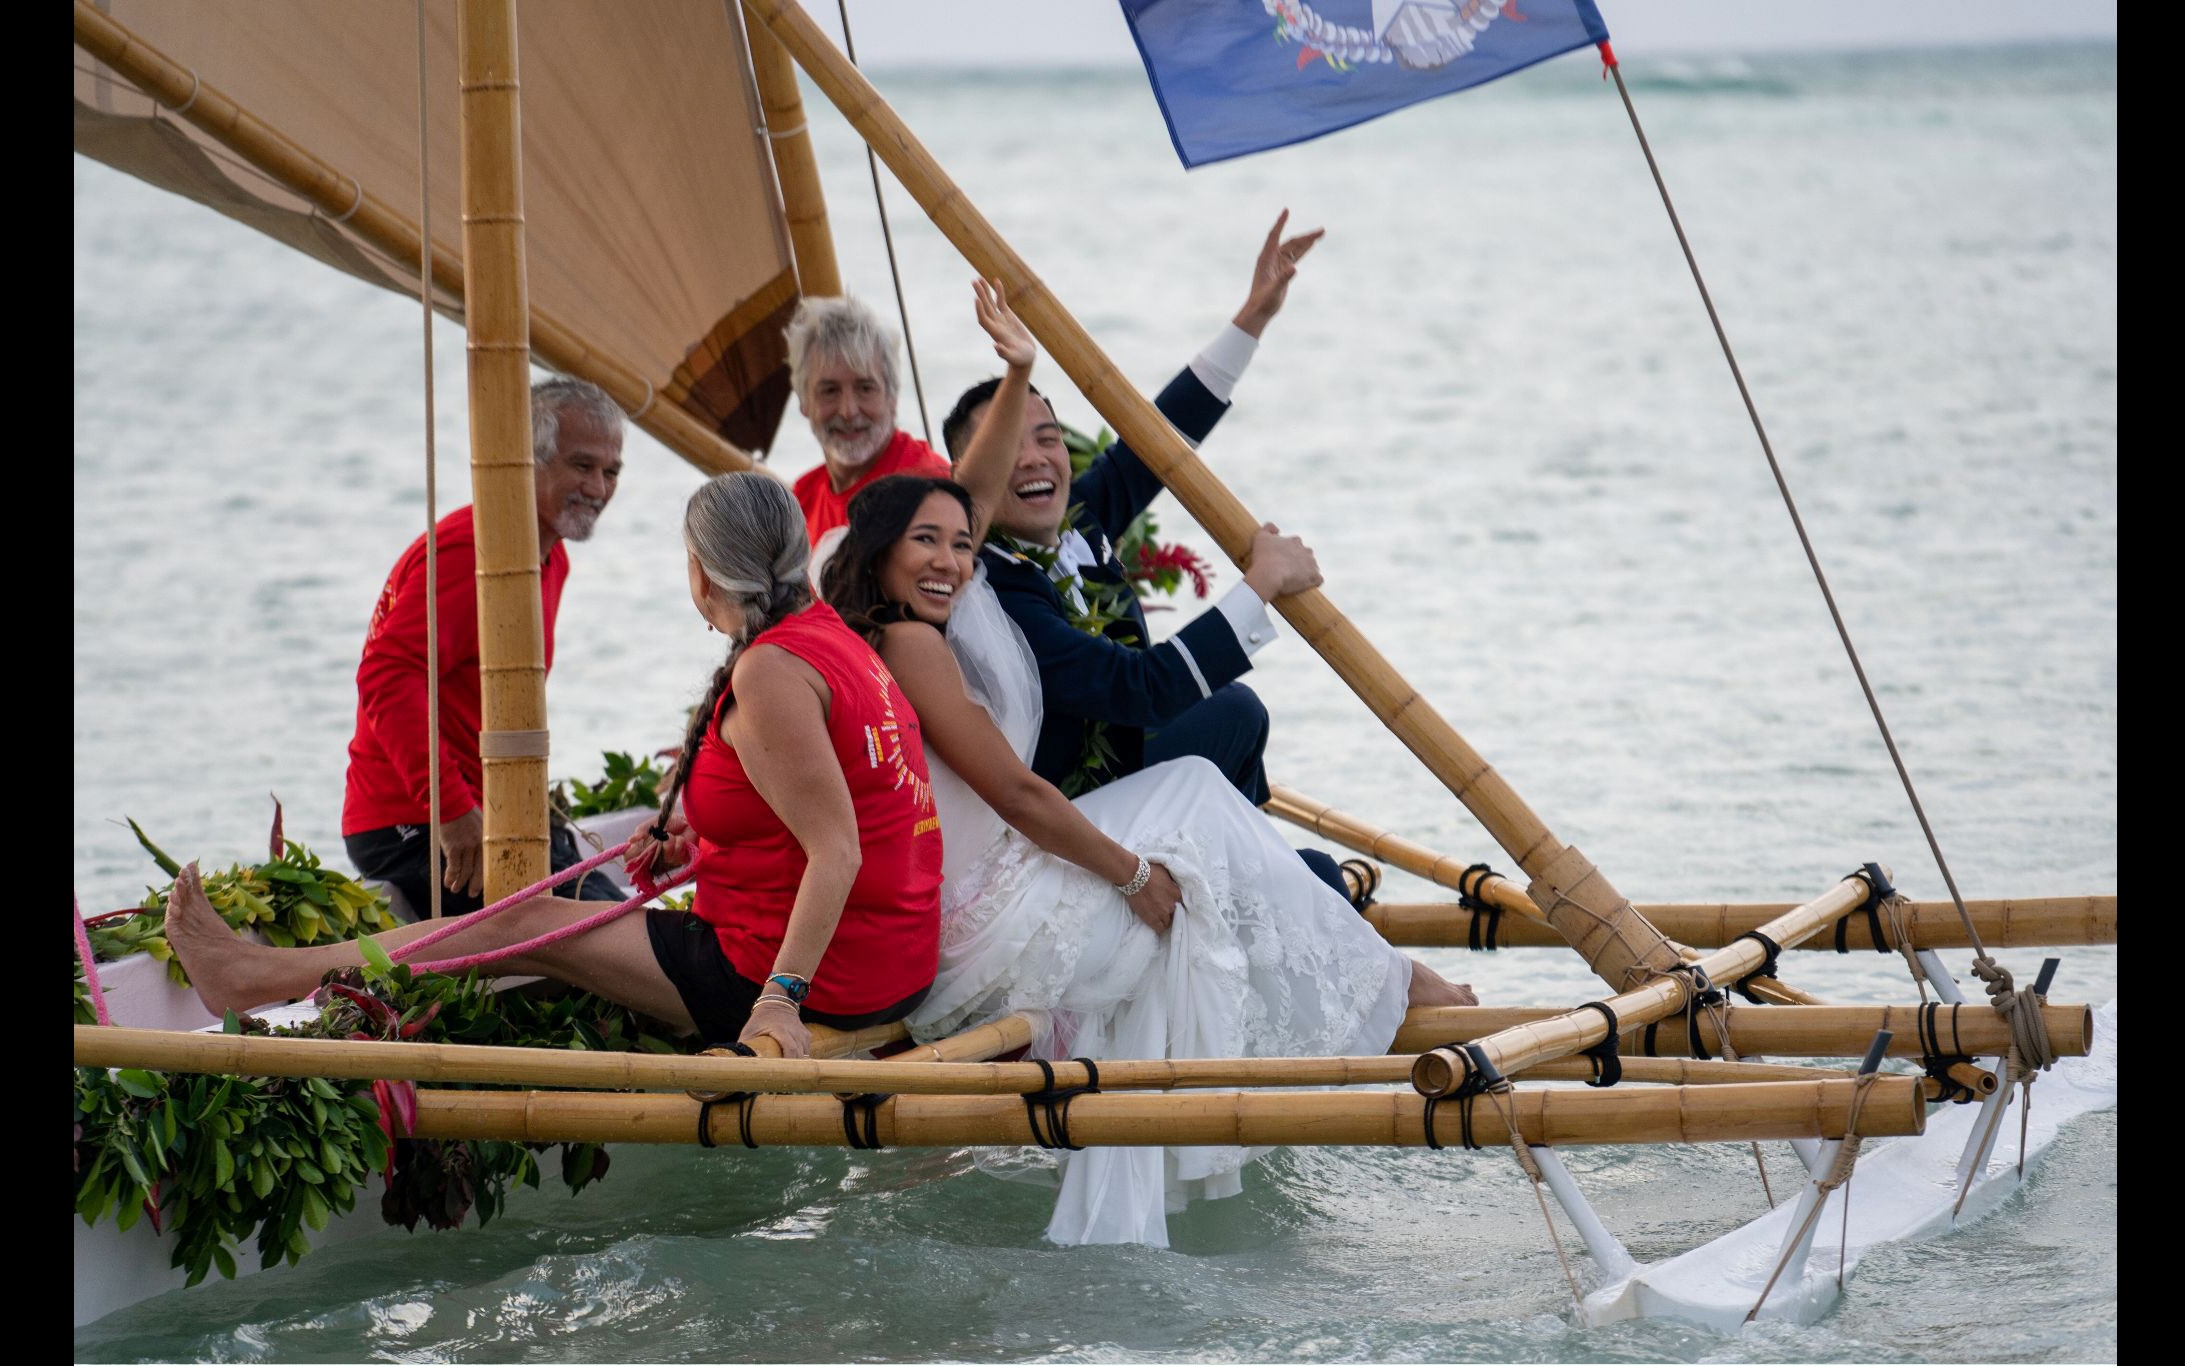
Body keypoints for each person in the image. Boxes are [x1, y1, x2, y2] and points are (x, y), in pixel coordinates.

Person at [820, 471, 1476, 1247]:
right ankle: (1387, 979)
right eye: (924, 540)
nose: (950, 562)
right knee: (1194, 797)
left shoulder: (864, 643)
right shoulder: (912, 643)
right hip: (983, 920)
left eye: (963, 545)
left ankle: (1372, 970)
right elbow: (1016, 795)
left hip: (956, 914)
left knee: (1193, 836)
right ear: (879, 550)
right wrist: (1129, 876)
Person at [170, 473, 941, 1060]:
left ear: (702, 573)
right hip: (889, 959)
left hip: (813, 976)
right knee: (539, 918)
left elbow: (837, 848)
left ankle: (255, 978)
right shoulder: (826, 636)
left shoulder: (768, 671)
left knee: (523, 921)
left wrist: (779, 998)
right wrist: (697, 846)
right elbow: (822, 810)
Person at [947, 218, 1355, 896]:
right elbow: (1141, 690)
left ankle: (1240, 865)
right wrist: (1261, 582)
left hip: (1123, 778)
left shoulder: (1076, 518)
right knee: (1315, 876)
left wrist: (1254, 315)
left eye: (1046, 437)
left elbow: (1163, 433)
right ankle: (1251, 882)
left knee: (1236, 713)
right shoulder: (993, 588)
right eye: (1006, 446)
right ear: (975, 472)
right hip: (1064, 825)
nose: (1034, 458)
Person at [341, 377, 629, 920]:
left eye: (611, 472)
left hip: (492, 812)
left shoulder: (551, 556)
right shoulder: (470, 551)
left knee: (627, 926)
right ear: (526, 460)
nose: (598, 488)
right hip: (415, 824)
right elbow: (386, 677)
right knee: (609, 934)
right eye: (582, 465)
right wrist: (451, 811)